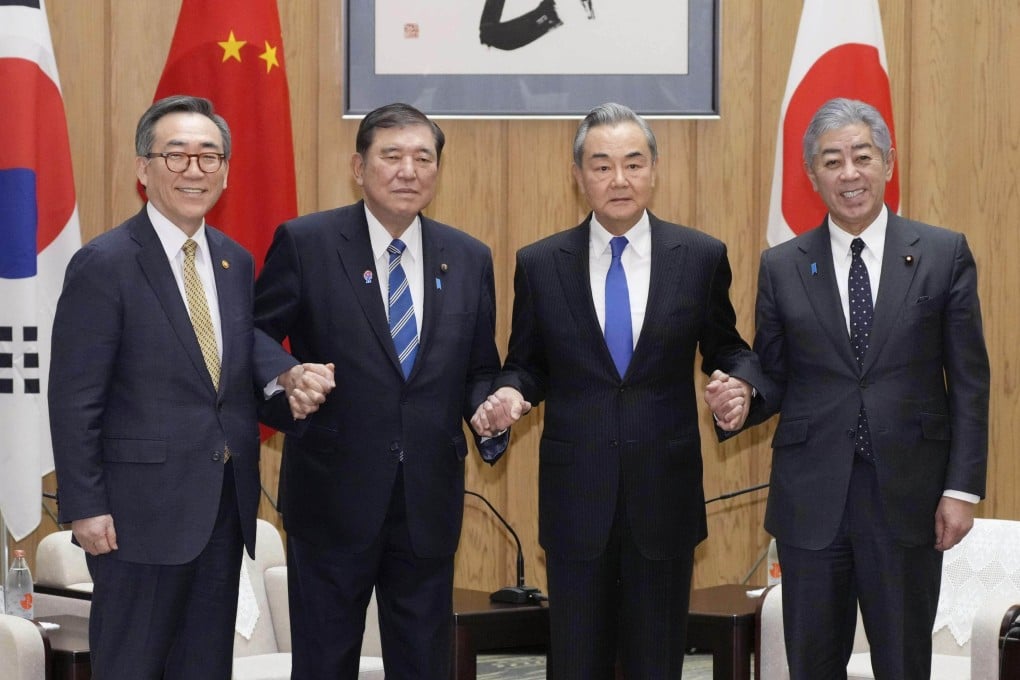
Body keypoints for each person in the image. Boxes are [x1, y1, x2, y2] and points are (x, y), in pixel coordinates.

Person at [473, 102, 767, 678]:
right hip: (575, 497)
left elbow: (728, 348)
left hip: (665, 495)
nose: (619, 180)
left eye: (633, 164)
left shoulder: (700, 256)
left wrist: (741, 386)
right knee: (575, 664)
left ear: (654, 170)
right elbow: (526, 364)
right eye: (601, 165)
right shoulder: (539, 263)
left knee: (656, 664)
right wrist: (509, 394)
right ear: (578, 175)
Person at [48, 95, 334, 680]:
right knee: (133, 665)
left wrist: (285, 381)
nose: (194, 170)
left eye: (209, 156)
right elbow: (75, 397)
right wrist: (86, 505)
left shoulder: (233, 260)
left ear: (226, 171)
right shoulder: (104, 263)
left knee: (205, 668)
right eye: (176, 156)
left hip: (222, 509)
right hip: (134, 517)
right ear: (143, 168)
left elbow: (225, 377)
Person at [707, 97, 989, 679]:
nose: (849, 173)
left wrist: (962, 489)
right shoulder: (783, 264)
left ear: (888, 162)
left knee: (904, 663)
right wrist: (743, 398)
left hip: (909, 497)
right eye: (832, 161)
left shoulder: (942, 253)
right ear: (813, 176)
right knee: (811, 664)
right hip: (813, 500)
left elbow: (968, 380)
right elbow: (775, 371)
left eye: (862, 156)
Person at [253, 102, 508, 679]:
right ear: (358, 166)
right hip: (331, 496)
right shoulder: (307, 242)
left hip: (428, 498)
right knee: (324, 662)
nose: (408, 170)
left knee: (424, 662)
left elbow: (478, 370)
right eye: (391, 156)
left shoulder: (467, 257)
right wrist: (287, 377)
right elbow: (252, 331)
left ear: (438, 170)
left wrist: (488, 409)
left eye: (423, 157)